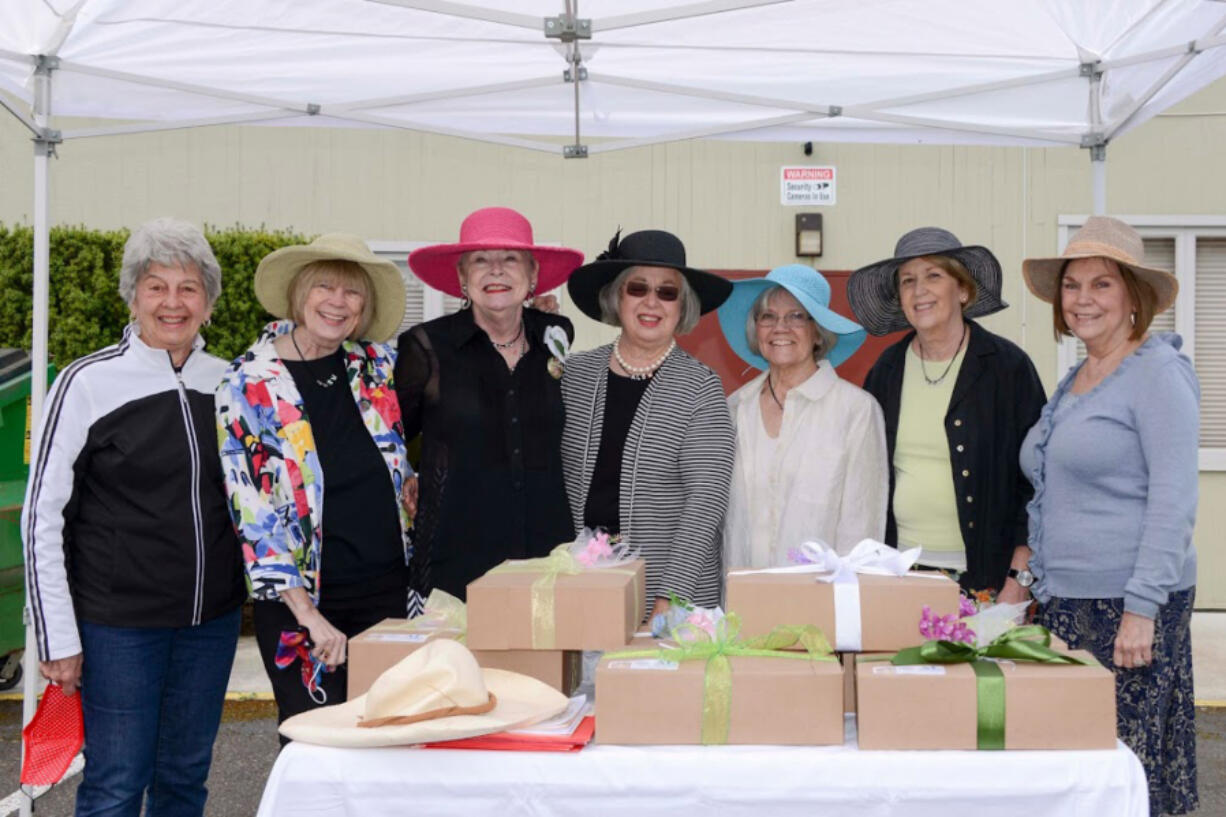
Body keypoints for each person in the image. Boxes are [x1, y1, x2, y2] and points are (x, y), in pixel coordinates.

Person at [23, 217, 246, 816]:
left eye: (188, 288)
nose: (172, 303)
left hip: (211, 623)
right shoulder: (86, 383)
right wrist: (58, 637)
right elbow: (41, 518)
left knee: (184, 779)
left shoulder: (230, 382)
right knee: (116, 783)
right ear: (133, 295)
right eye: (156, 286)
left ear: (208, 302)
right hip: (119, 628)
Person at [1020, 216, 1198, 816]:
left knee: (1127, 777)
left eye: (1101, 284)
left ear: (1133, 297)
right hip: (1069, 604)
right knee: (1078, 779)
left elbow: (1174, 499)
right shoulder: (1078, 377)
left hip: (1125, 607)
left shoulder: (1157, 371)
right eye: (1072, 285)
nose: (1082, 299)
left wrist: (1142, 609)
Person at [217, 233, 412, 729]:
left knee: (394, 738)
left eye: (352, 293)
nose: (337, 302)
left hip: (390, 596)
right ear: (300, 293)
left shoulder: (377, 366)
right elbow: (252, 512)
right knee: (318, 745)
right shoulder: (248, 381)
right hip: (305, 606)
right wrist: (307, 615)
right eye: (325, 286)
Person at [848, 227, 1045, 603]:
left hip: (987, 578)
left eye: (933, 276)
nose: (919, 290)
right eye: (907, 281)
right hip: (896, 572)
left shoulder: (1007, 368)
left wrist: (1020, 576)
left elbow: (1037, 483)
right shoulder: (885, 370)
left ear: (964, 290)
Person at [395, 207, 583, 601]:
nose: (495, 271)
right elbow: (392, 436)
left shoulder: (555, 335)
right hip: (457, 561)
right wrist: (407, 477)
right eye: (480, 260)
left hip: (548, 559)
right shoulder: (425, 347)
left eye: (510, 259)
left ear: (532, 276)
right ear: (462, 277)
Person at [561, 229, 735, 620]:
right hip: (584, 585)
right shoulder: (576, 374)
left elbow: (706, 503)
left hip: (672, 598)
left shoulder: (701, 387)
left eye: (667, 292)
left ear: (682, 305)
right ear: (617, 297)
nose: (652, 302)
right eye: (638, 288)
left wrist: (669, 596)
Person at [717, 264, 886, 566]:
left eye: (796, 316)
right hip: (740, 600)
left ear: (818, 332)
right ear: (756, 329)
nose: (780, 327)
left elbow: (861, 527)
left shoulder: (856, 410)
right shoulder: (734, 408)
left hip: (819, 601)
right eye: (768, 316)